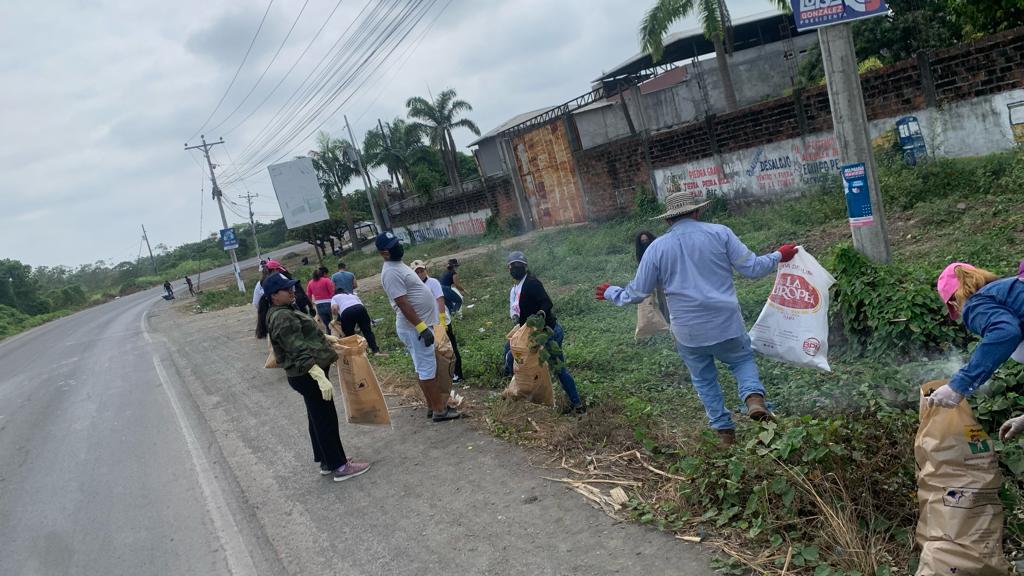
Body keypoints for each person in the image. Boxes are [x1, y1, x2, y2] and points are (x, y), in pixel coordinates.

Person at [595, 190, 797, 446]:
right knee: (741, 360)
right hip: (726, 323)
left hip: (688, 331)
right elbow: (753, 268)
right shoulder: (721, 233)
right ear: (697, 212)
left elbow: (637, 293)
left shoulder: (656, 248)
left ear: (668, 220)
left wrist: (612, 292)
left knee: (704, 380)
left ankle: (724, 433)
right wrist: (779, 255)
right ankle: (753, 399)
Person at [255, 271, 371, 482]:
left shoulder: (284, 309)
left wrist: (326, 338)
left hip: (306, 373)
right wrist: (317, 375)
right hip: (307, 374)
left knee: (316, 417)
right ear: (274, 295)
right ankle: (339, 465)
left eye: (291, 287)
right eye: (286, 289)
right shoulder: (281, 316)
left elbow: (302, 334)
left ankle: (327, 460)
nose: (292, 291)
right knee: (325, 419)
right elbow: (296, 348)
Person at [924, 263, 1024, 443]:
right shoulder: (1011, 291)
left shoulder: (977, 303)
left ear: (954, 302)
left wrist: (958, 385)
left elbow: (1006, 332)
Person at [376, 231, 460, 422]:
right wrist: (422, 328)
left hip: (419, 326)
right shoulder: (390, 272)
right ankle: (439, 410)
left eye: (397, 243)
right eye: (393, 246)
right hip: (415, 328)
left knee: (423, 368)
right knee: (427, 369)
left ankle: (432, 405)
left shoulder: (398, 265)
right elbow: (402, 303)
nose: (398, 247)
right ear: (383, 253)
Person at [503, 251, 586, 414]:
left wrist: (541, 313)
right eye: (512, 266)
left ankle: (577, 405)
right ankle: (525, 396)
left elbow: (547, 302)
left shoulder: (532, 283)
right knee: (512, 354)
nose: (515, 268)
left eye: (518, 265)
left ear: (525, 267)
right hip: (533, 335)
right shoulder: (517, 288)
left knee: (556, 368)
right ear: (509, 269)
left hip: (548, 333)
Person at [413, 260, 464, 382]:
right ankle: (444, 374)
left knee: (450, 348)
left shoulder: (433, 282)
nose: (420, 274)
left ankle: (458, 373)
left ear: (426, 270)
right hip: (428, 324)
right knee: (436, 351)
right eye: (417, 272)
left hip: (440, 322)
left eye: (422, 271)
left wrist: (442, 320)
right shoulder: (415, 287)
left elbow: (440, 300)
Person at [330, 290, 383, 355]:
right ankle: (375, 351)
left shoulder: (335, 297)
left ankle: (356, 353)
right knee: (367, 331)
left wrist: (335, 318)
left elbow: (334, 308)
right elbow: (362, 305)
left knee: (350, 335)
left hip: (347, 312)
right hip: (360, 308)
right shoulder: (352, 295)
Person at [635, 231, 669, 323]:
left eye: (646, 240)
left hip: (663, 275)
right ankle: (664, 320)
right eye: (643, 241)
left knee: (664, 297)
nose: (645, 243)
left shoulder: (657, 248)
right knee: (659, 299)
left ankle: (668, 320)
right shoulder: (641, 253)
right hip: (653, 276)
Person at [307, 267, 337, 334]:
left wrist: (311, 304)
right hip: (329, 303)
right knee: (335, 322)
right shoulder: (326, 280)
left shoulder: (310, 283)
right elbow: (332, 292)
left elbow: (308, 295)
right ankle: (340, 335)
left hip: (319, 305)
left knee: (327, 325)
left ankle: (331, 337)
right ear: (321, 274)